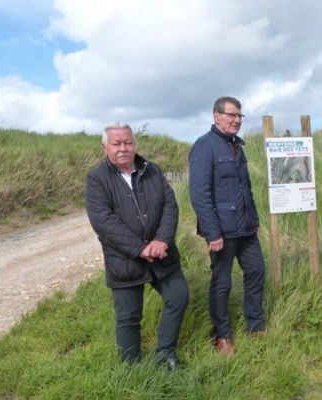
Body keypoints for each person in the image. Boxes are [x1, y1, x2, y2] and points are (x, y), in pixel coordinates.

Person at [85, 123, 189, 369]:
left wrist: (162, 240)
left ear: (134, 144)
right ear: (105, 147)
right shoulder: (97, 179)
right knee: (129, 316)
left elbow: (170, 206)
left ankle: (164, 355)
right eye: (116, 143)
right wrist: (139, 248)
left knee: (178, 297)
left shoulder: (152, 170)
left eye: (128, 142)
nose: (123, 148)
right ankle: (131, 368)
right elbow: (103, 221)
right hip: (125, 258)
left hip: (161, 253)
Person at [189, 96, 266, 355]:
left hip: (245, 228)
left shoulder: (237, 147)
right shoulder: (204, 147)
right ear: (216, 115)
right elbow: (200, 195)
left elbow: (246, 190)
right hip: (222, 232)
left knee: (256, 272)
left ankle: (255, 326)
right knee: (222, 283)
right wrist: (212, 232)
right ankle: (222, 336)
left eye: (239, 116)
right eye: (231, 115)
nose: (236, 120)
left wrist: (253, 220)